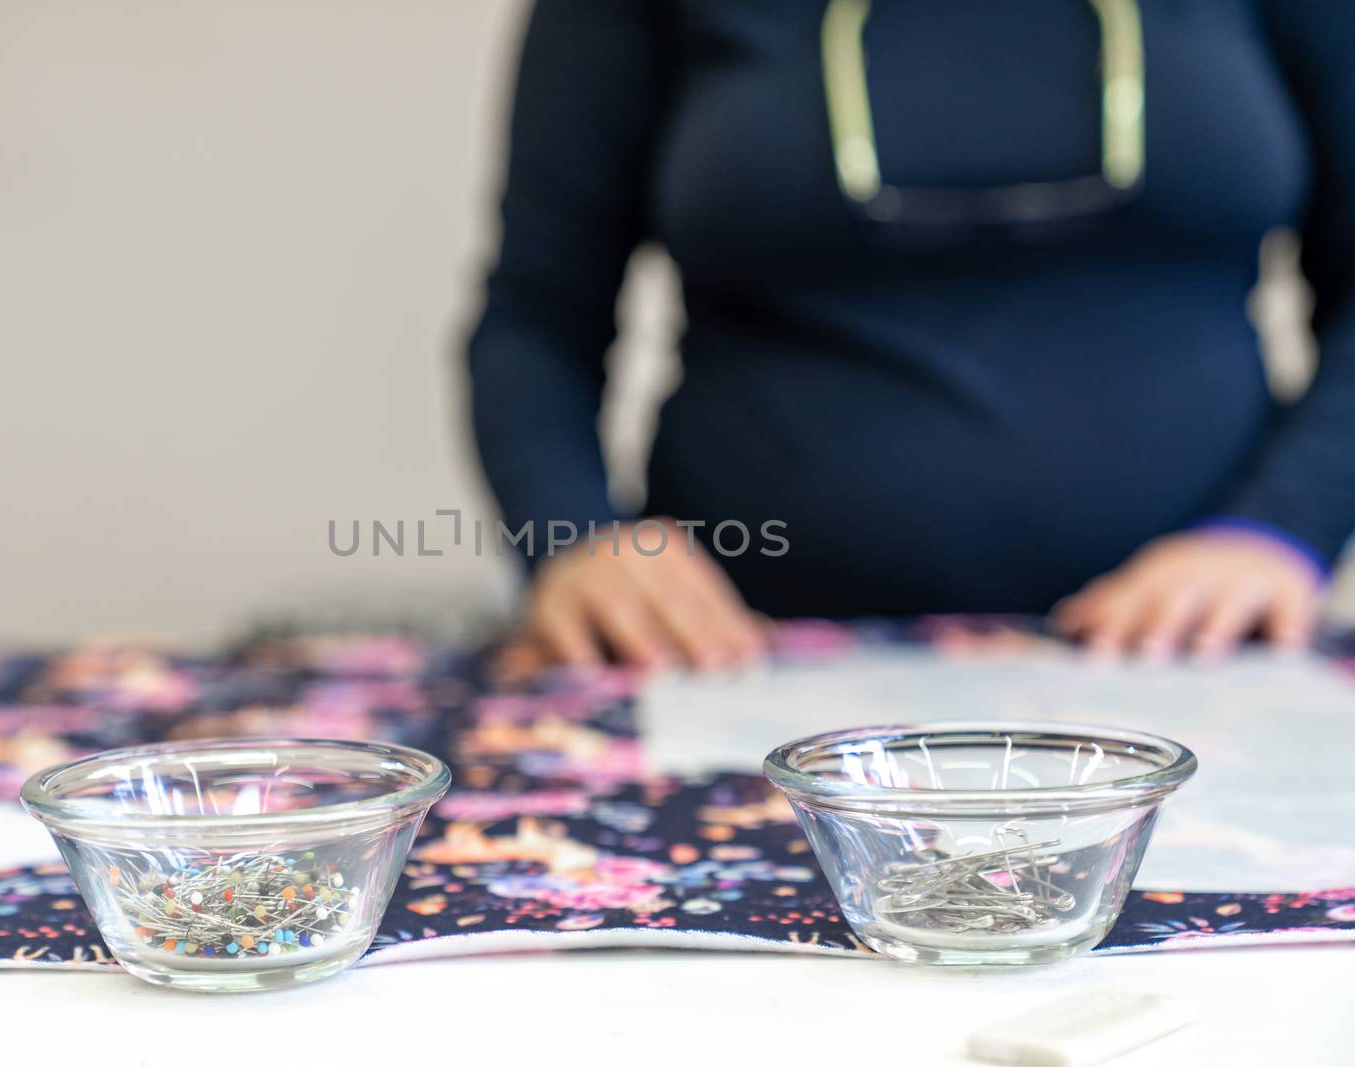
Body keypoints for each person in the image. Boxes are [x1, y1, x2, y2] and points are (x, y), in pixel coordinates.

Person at [466, 0, 1354, 670]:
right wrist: (573, 533)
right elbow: (537, 311)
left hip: (1183, 662)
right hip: (739, 663)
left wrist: (1280, 529)